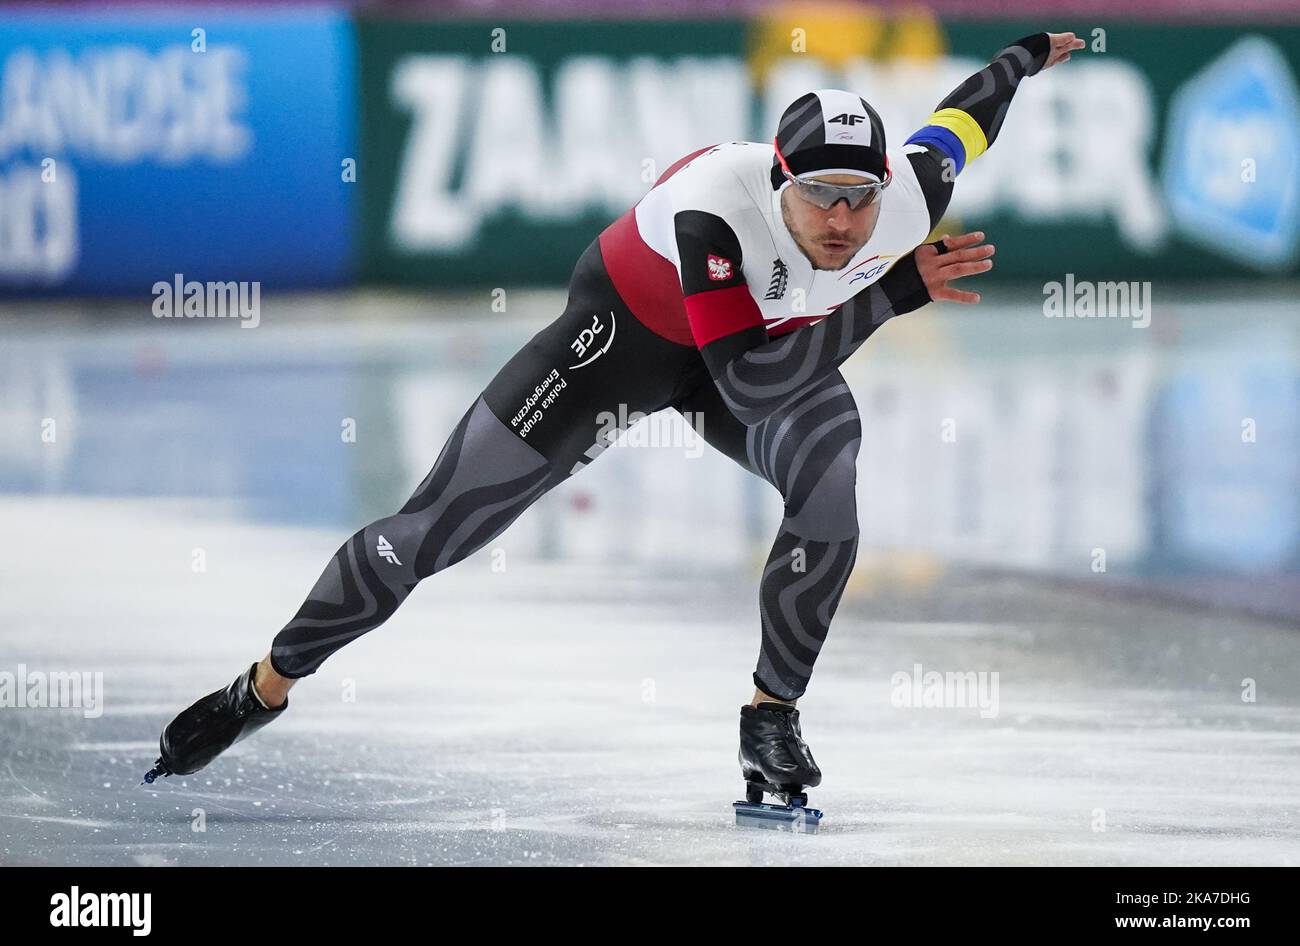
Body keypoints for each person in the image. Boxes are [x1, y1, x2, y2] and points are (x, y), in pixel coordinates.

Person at [145, 32, 1084, 805]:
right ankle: (261, 686)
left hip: (764, 346)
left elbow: (964, 122)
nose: (842, 220)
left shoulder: (908, 199)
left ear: (887, 188)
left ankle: (771, 717)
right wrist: (891, 299)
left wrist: (1026, 55)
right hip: (620, 343)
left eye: (860, 197)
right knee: (431, 537)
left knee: (831, 476)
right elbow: (748, 387)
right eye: (818, 196)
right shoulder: (718, 207)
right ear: (779, 179)